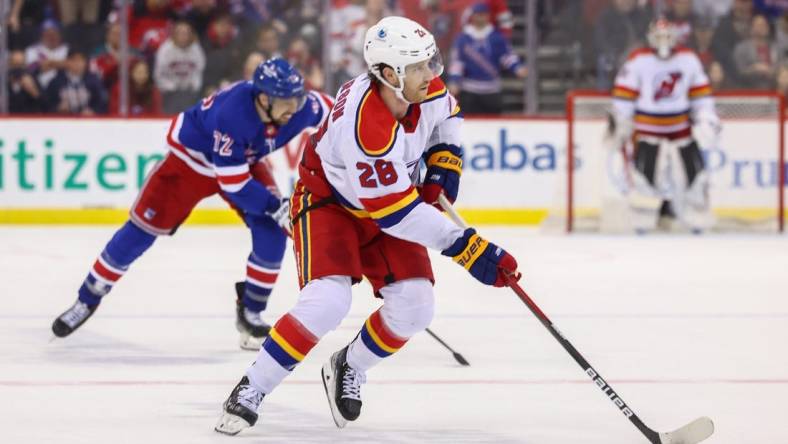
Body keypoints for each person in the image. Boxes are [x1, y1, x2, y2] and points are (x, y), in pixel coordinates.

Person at [214, 16, 520, 436]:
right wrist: (467, 248)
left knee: (416, 306)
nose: (432, 74)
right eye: (420, 67)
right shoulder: (366, 126)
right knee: (328, 300)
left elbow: (449, 116)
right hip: (330, 203)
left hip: (385, 203)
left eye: (431, 62)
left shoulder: (423, 88)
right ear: (390, 75)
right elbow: (395, 214)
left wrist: (446, 157)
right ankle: (253, 387)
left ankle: (349, 364)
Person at [51, 58, 334, 350]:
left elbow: (339, 111)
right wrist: (276, 205)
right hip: (191, 162)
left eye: (297, 99)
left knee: (272, 232)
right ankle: (87, 298)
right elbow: (234, 183)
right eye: (286, 101)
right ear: (264, 98)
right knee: (141, 231)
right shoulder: (233, 115)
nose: (294, 108)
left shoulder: (301, 108)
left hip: (241, 161)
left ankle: (251, 312)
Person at [610, 19, 720, 233]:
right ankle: (643, 222)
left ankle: (696, 220)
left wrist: (706, 118)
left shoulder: (688, 60)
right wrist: (621, 121)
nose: (663, 42)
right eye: (659, 37)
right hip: (647, 131)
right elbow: (623, 96)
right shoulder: (638, 60)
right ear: (650, 37)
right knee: (644, 180)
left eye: (667, 36)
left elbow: (701, 96)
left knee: (695, 178)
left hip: (681, 130)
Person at [447, 2, 527, 115]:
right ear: (473, 16)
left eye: (483, 14)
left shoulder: (496, 37)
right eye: (478, 14)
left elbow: (507, 56)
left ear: (488, 16)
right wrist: (454, 80)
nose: (480, 17)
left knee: (493, 123)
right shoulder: (463, 38)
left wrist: (517, 67)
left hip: (492, 90)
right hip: (469, 90)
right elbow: (457, 63)